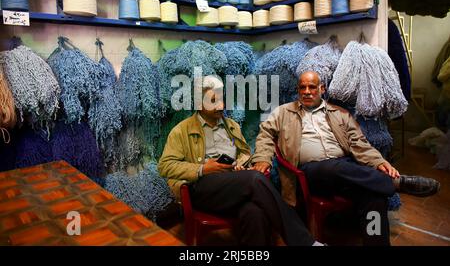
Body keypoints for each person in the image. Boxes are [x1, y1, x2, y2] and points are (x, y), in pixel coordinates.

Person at [251, 71, 440, 246]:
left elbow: (359, 143)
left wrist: (379, 162)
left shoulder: (339, 114)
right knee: (335, 167)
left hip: (347, 171)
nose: (307, 92)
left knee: (374, 196)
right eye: (302, 87)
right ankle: (396, 183)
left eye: (312, 87)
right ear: (298, 90)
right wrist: (262, 159)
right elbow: (265, 134)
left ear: (322, 89)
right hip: (310, 173)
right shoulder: (284, 112)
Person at [158, 76, 321, 246]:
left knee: (254, 211)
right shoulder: (181, 131)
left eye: (222, 99)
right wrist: (203, 168)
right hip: (202, 190)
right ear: (199, 104)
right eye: (213, 101)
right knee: (254, 180)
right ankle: (305, 243)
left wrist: (242, 166)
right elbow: (165, 166)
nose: (221, 106)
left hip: (233, 187)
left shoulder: (232, 126)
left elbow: (244, 155)